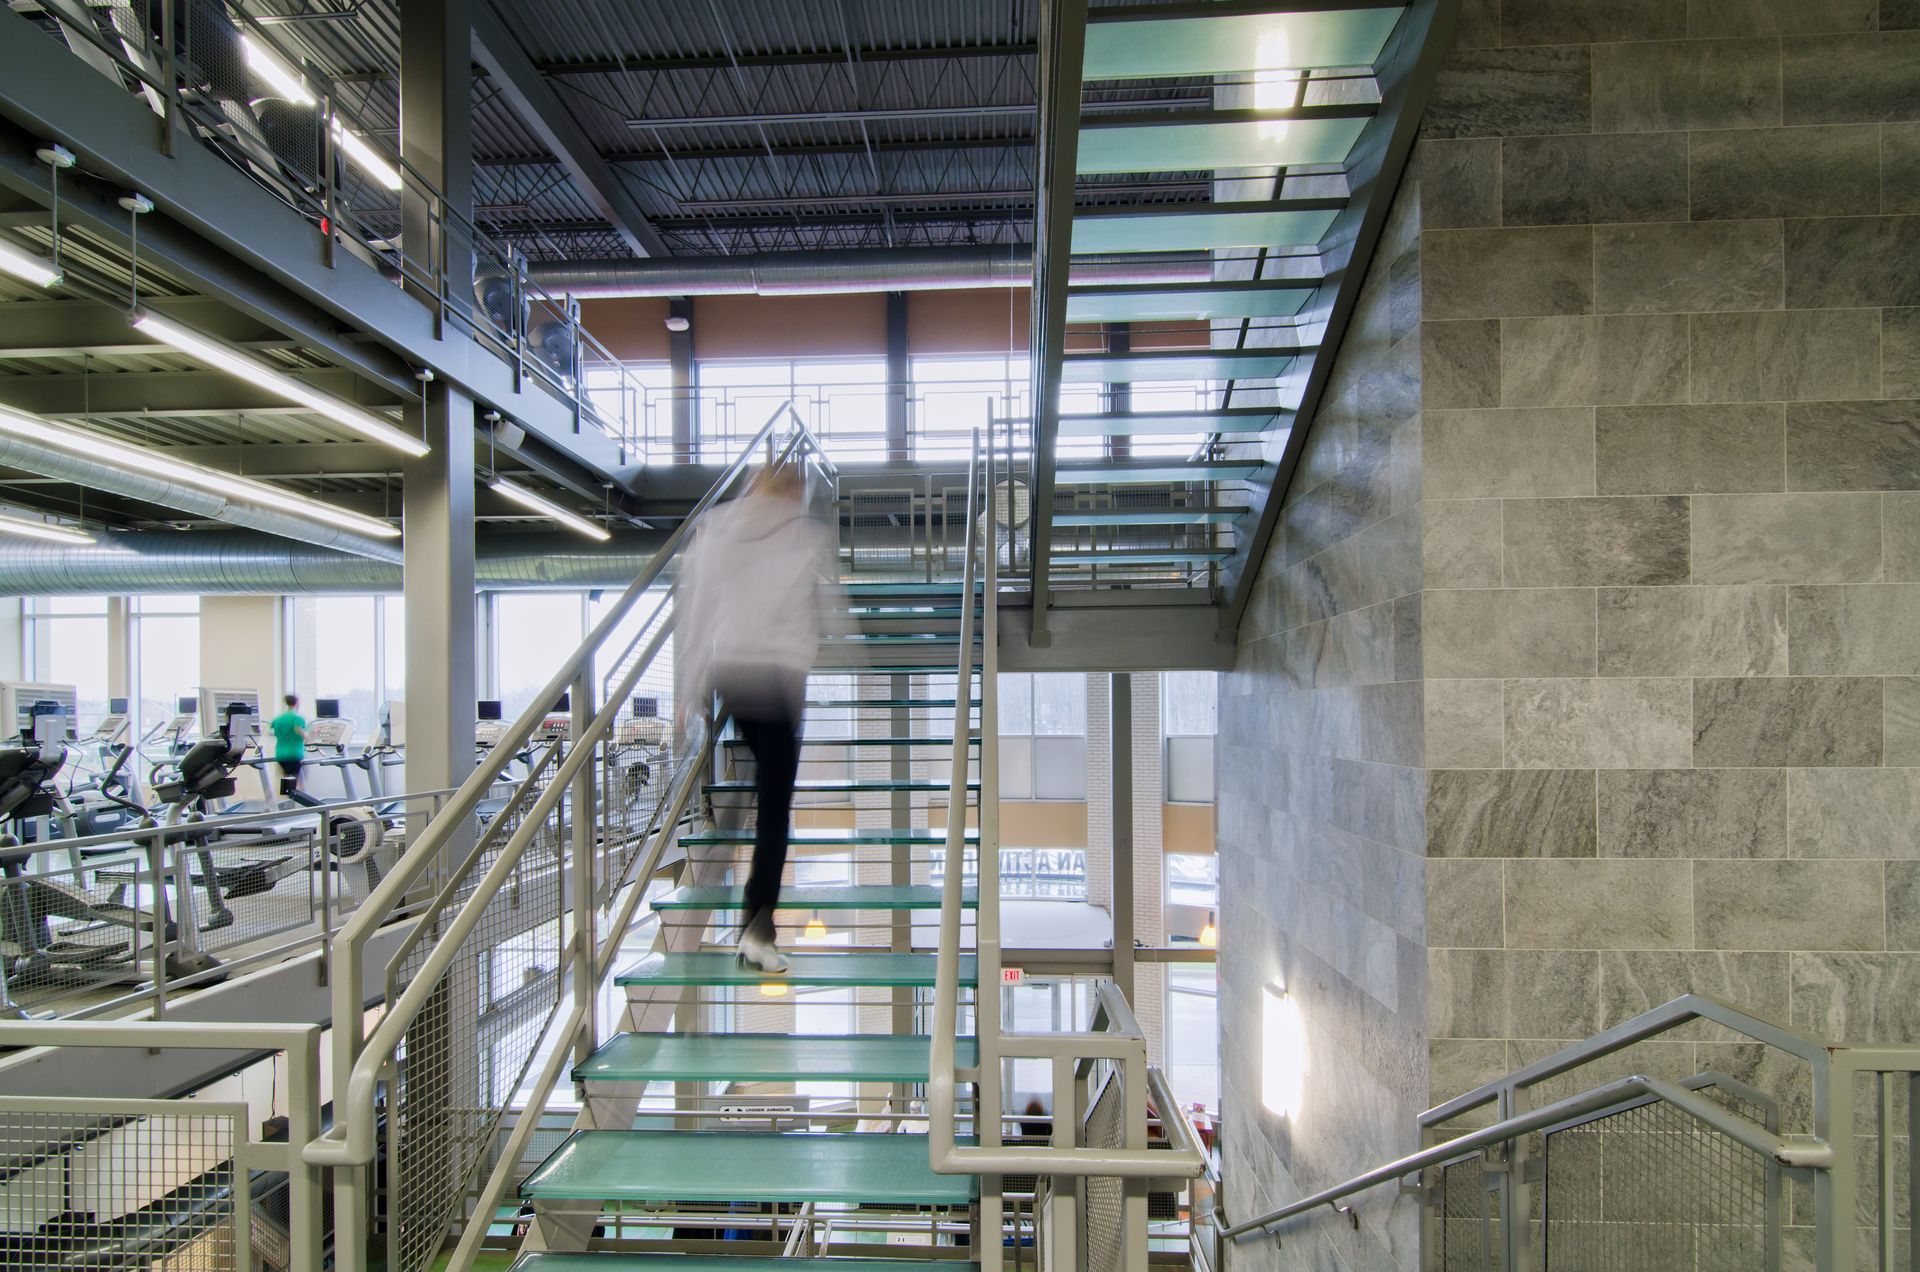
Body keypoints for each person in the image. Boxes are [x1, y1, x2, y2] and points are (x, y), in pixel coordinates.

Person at [679, 462, 846, 974]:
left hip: (733, 672)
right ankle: (756, 928)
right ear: (793, 490)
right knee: (775, 809)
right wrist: (836, 655)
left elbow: (696, 607)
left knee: (767, 790)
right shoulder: (805, 532)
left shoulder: (720, 526)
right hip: (779, 680)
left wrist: (690, 687)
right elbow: (831, 608)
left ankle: (749, 900)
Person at [268, 693, 307, 799]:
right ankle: (299, 804)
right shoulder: (297, 718)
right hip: (294, 754)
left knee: (286, 781)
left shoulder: (278, 719)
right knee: (298, 783)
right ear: (297, 703)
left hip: (281, 754)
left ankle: (286, 803)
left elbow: (270, 731)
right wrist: (309, 737)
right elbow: (298, 730)